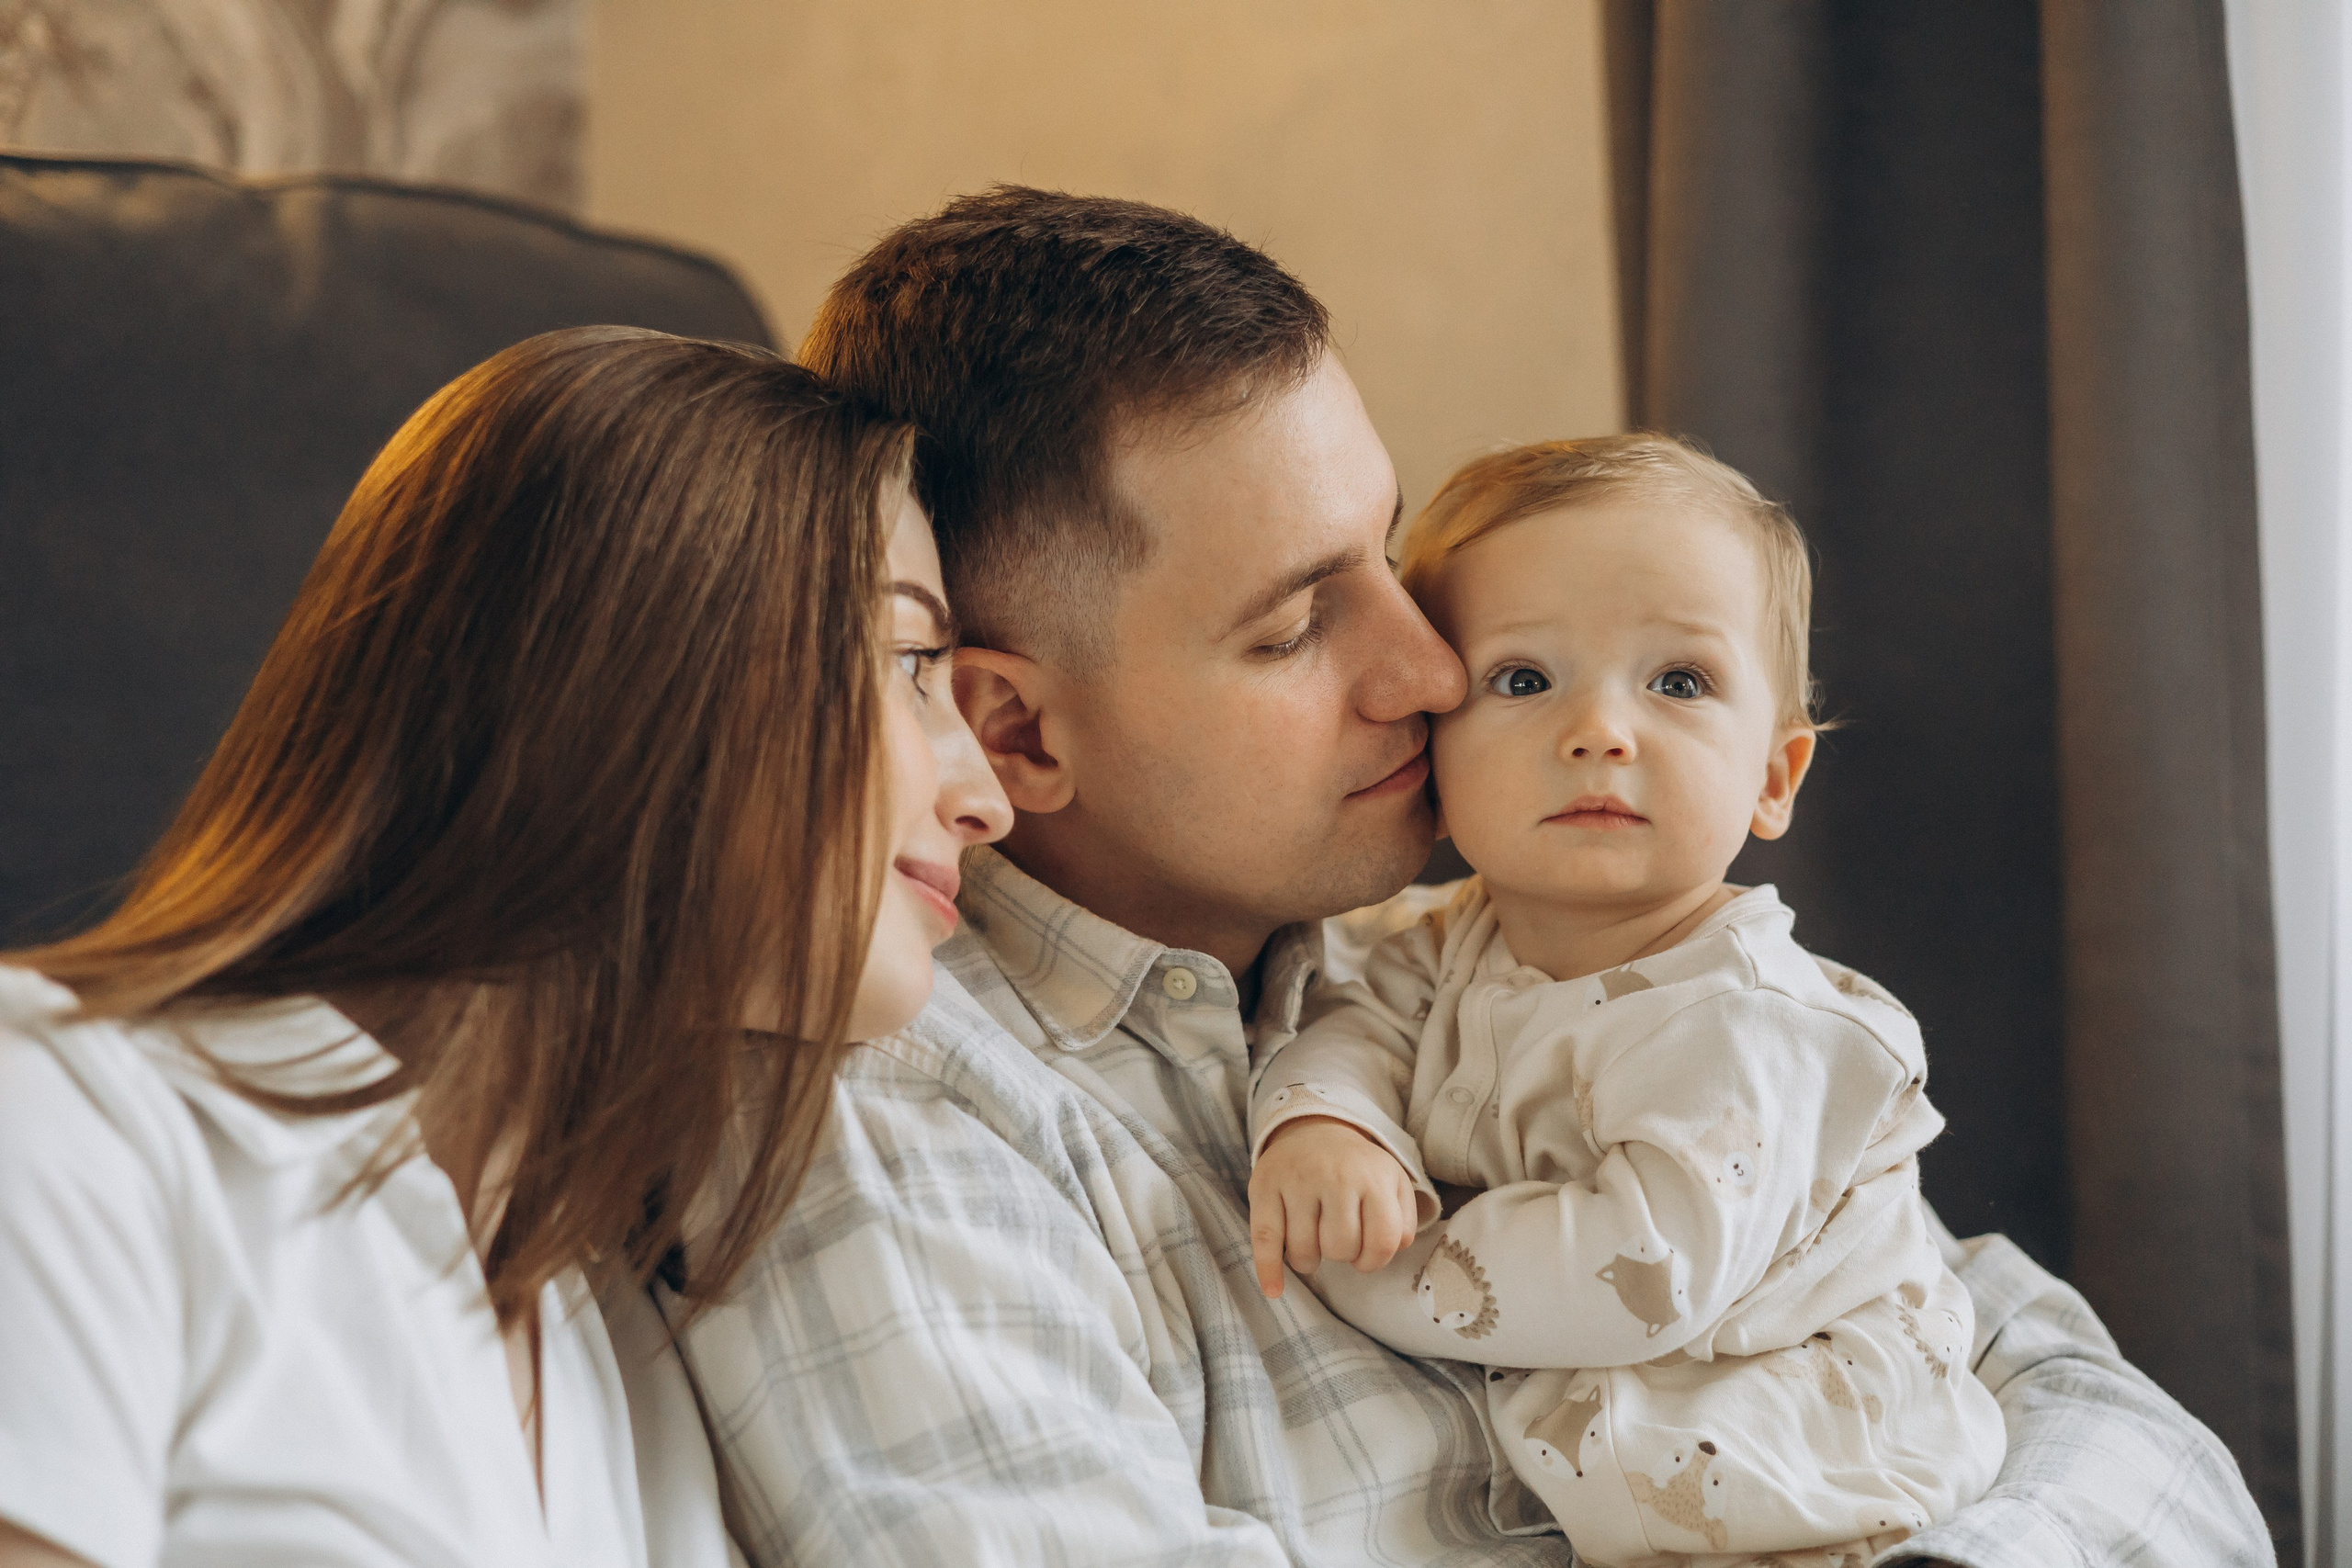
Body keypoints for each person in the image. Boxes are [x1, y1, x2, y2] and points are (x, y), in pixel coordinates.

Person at [675, 186, 2272, 1567]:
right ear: (1017, 734)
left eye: (1387, 555)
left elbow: (2094, 1408)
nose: (1434, 667)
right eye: (1296, 625)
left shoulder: (1444, 953)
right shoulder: (889, 1124)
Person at [0, 326, 1010, 1568]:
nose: (987, 798)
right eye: (911, 662)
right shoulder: (67, 1118)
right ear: (644, 661)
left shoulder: (628, 1360)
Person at [1246, 434, 2006, 1567]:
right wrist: (1324, 1126)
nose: (1599, 731)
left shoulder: (1747, 1020)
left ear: (1772, 778)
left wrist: (1364, 1267)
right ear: (1430, 758)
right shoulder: (1446, 942)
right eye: (1522, 680)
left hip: (1800, 1475)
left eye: (1678, 683)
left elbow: (1639, 1273)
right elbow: (1352, 1028)